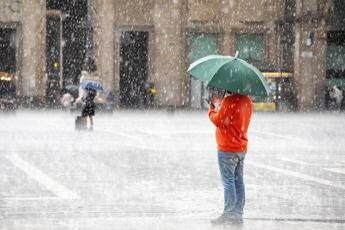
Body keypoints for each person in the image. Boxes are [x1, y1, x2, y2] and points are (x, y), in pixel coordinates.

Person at [208, 91, 253, 225]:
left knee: (228, 181)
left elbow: (219, 121)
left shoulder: (229, 101)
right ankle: (237, 213)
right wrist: (220, 108)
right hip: (241, 146)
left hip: (227, 147)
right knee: (239, 181)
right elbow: (233, 120)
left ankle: (229, 213)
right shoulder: (247, 101)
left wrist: (211, 110)